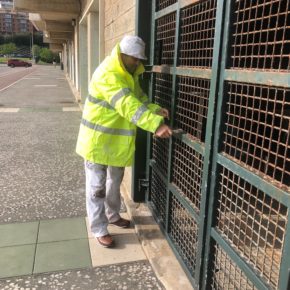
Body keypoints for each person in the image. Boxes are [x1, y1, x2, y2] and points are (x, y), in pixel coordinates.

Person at [76, 35, 172, 248]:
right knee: (96, 188)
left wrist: (155, 109)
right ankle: (99, 228)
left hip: (115, 143)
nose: (138, 62)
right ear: (121, 55)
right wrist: (155, 124)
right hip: (97, 142)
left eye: (139, 59)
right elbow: (128, 105)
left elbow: (139, 99)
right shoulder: (108, 74)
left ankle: (112, 215)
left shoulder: (129, 74)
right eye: (134, 59)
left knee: (114, 183)